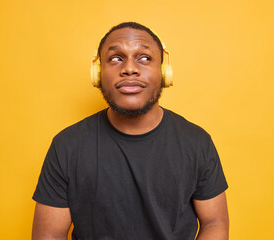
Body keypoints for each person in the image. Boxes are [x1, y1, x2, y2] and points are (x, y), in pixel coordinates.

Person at [32, 22, 229, 240]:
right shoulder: (66, 147)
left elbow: (215, 222)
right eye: (116, 58)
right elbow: (49, 235)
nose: (129, 68)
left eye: (144, 58)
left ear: (164, 72)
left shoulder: (197, 142)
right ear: (98, 74)